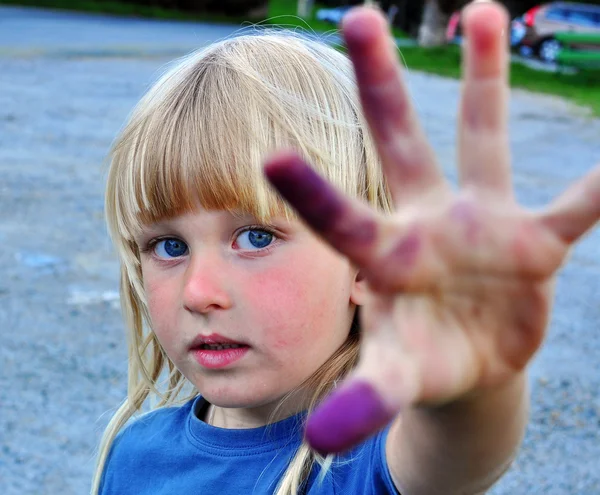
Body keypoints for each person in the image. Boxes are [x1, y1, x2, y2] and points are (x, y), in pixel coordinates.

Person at [92, 1, 600, 494]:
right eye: (168, 245)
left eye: (256, 237)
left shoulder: (368, 465)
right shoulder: (134, 454)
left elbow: (459, 452)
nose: (198, 292)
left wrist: (475, 386)